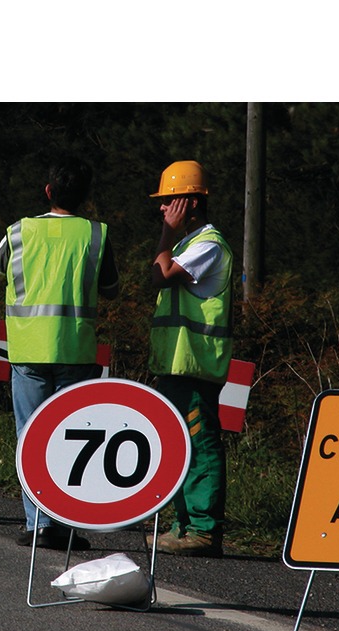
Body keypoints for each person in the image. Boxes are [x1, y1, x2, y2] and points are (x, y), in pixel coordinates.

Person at [0, 156, 119, 550]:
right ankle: (64, 524)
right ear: (85, 196)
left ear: (47, 191)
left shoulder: (19, 231)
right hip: (75, 349)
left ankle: (37, 523)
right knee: (72, 438)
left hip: (27, 348)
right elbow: (112, 289)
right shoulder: (96, 234)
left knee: (31, 436)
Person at [146, 160, 234, 557]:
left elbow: (160, 276)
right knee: (179, 446)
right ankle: (184, 525)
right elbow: (158, 273)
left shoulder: (208, 245)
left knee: (200, 445)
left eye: (168, 201)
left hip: (195, 366)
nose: (162, 209)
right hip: (176, 365)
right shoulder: (186, 244)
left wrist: (166, 233)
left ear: (190, 203)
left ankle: (203, 528)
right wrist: (169, 237)